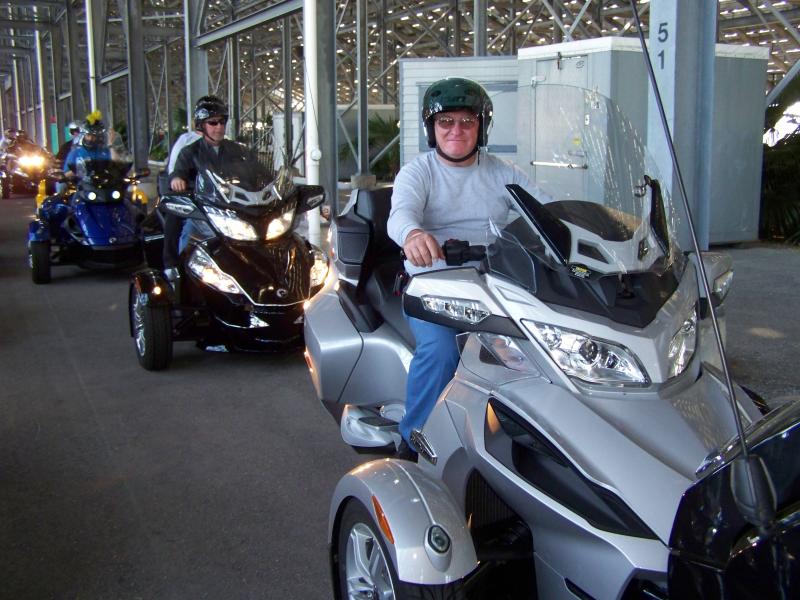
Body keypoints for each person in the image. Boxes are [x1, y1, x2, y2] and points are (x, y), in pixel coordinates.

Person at [386, 77, 542, 459]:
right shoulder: (419, 172)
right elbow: (401, 213)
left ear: (481, 126)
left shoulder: (504, 172)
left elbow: (546, 209)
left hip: (494, 283)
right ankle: (414, 439)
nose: (456, 130)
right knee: (441, 350)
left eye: (467, 121)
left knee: (537, 347)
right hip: (433, 285)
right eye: (446, 121)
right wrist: (413, 235)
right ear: (432, 128)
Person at [163, 95, 259, 276]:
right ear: (201, 126)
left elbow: (258, 170)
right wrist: (177, 179)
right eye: (213, 123)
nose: (219, 127)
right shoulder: (190, 151)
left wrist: (275, 180)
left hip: (235, 205)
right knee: (181, 223)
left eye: (222, 122)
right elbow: (179, 171)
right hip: (204, 207)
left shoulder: (239, 150)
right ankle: (175, 269)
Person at [64, 113, 112, 182]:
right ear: (84, 135)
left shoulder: (104, 152)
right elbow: (66, 174)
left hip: (102, 184)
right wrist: (79, 169)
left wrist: (111, 144)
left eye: (93, 136)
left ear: (98, 137)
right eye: (88, 135)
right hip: (81, 185)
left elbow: (114, 165)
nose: (90, 138)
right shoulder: (75, 153)